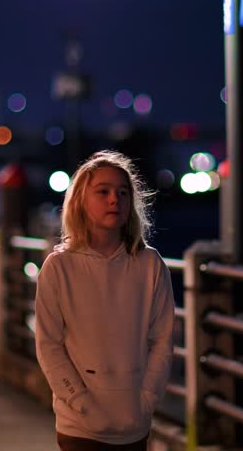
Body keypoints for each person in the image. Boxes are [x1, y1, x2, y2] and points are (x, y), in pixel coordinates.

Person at [34, 150, 175, 451]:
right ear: (81, 201)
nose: (115, 199)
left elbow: (162, 339)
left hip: (134, 422)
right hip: (79, 426)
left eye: (123, 193)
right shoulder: (59, 267)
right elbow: (48, 343)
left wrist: (147, 398)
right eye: (103, 192)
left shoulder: (149, 264)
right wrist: (79, 401)